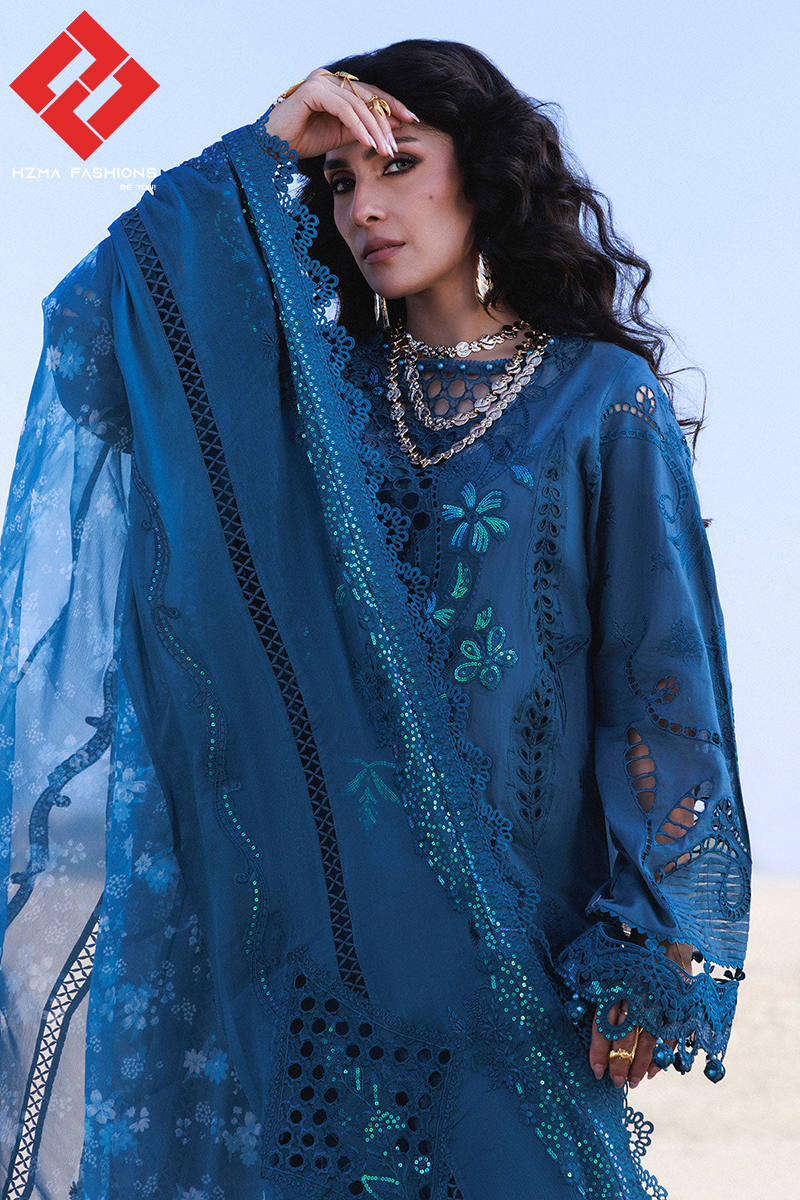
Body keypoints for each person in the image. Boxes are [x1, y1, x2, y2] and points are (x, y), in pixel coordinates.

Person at [0, 38, 750, 1200]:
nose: (362, 208)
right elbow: (98, 346)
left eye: (396, 165)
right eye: (337, 180)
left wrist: (648, 941)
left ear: (483, 174)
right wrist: (263, 146)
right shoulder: (307, 409)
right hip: (305, 966)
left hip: (509, 967)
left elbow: (658, 684)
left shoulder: (600, 403)